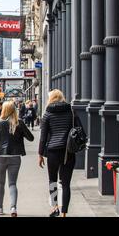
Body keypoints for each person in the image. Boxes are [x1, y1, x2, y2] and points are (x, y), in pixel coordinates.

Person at [0, 101, 34, 217]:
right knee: (12, 184)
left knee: (0, 183)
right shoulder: (19, 122)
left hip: (0, 157)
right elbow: (31, 138)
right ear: (14, 110)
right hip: (15, 157)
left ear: (3, 110)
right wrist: (21, 130)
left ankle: (0, 208)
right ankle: (13, 208)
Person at [38, 89, 77, 217]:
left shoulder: (47, 114)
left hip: (53, 152)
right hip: (68, 152)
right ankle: (64, 213)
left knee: (53, 181)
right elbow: (78, 129)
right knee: (66, 184)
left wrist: (40, 154)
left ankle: (55, 208)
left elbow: (43, 137)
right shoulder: (71, 111)